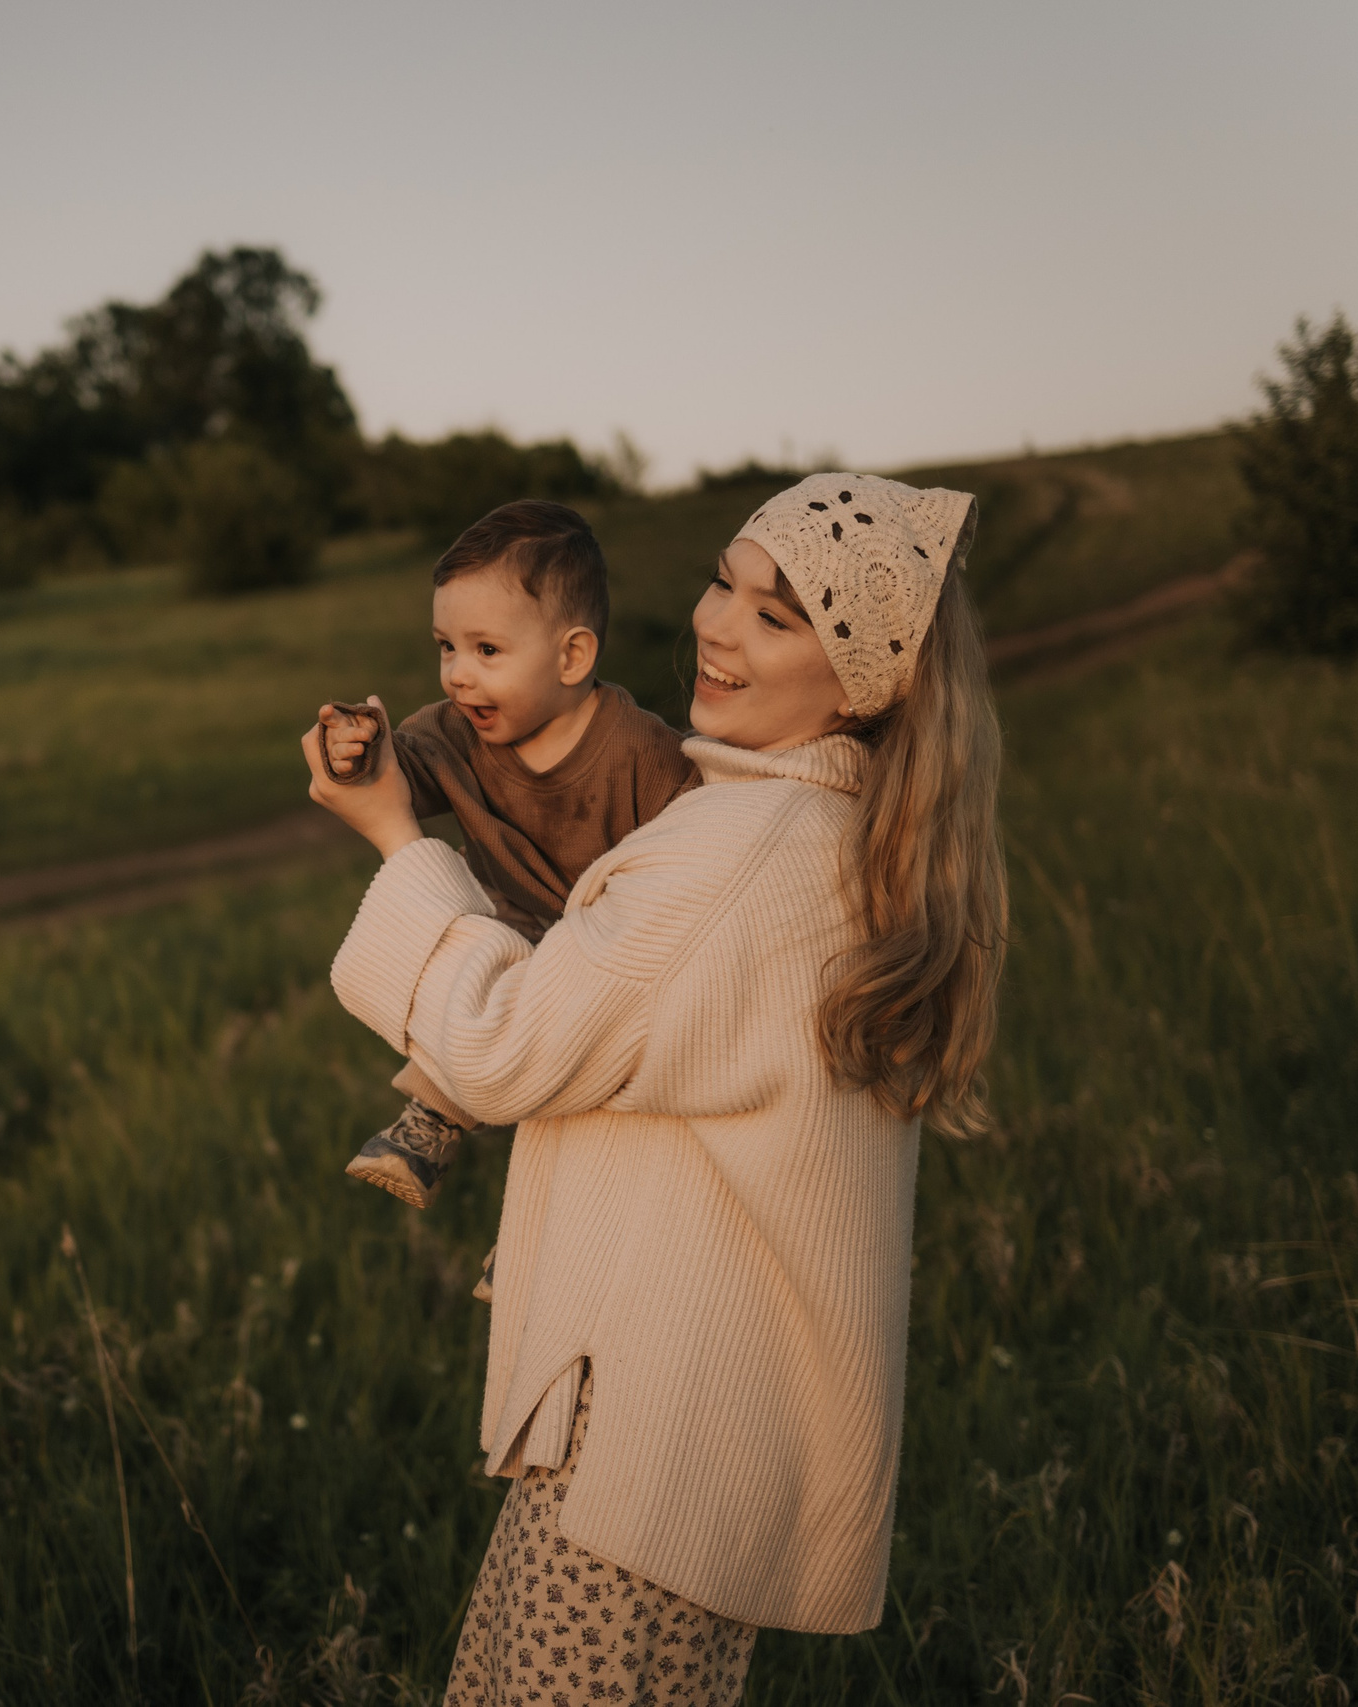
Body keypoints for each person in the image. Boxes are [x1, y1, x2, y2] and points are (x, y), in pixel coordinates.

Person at [301, 473, 1006, 1703]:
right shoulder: (823, 829)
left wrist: (393, 838)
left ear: (861, 685)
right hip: (685, 1421)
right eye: (722, 583)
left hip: (650, 1440)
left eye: (775, 617)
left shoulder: (731, 858)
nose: (716, 627)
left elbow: (504, 1046)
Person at [315, 500, 692, 1214]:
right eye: (445, 646)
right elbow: (398, 775)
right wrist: (353, 754)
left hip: (605, 957)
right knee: (467, 990)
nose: (458, 675)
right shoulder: (455, 733)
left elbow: (694, 854)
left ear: (572, 655)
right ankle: (431, 1121)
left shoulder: (644, 754)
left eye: (486, 651)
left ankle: (547, 1227)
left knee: (591, 1110)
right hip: (506, 940)